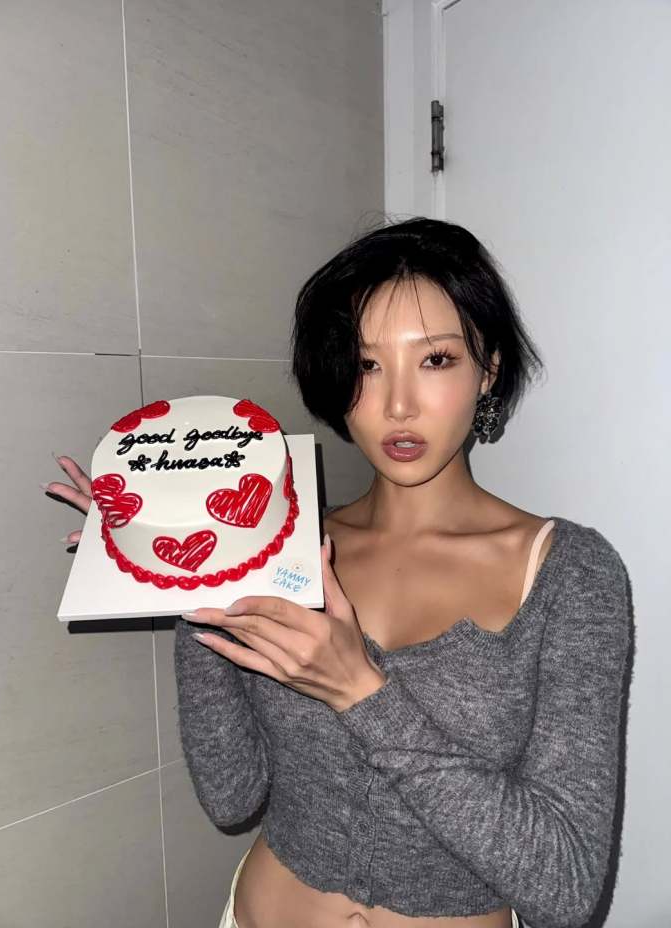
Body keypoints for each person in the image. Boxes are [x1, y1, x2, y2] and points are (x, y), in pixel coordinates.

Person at [45, 217, 630, 928]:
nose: (398, 404)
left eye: (436, 360)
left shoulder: (570, 573)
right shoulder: (283, 543)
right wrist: (183, 572)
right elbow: (232, 795)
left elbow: (567, 891)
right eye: (366, 363)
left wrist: (362, 692)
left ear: (491, 368)